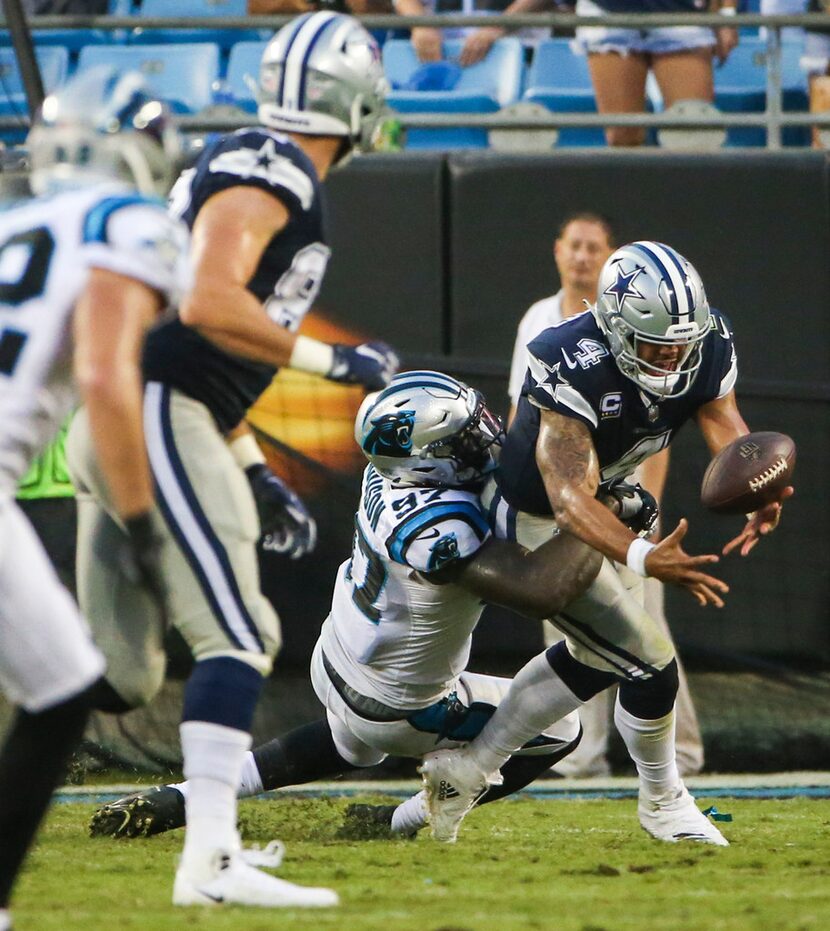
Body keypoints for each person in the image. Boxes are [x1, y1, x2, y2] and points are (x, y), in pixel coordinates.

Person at [66, 11, 398, 910]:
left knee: (115, 673)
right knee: (241, 633)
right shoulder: (275, 164)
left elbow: (217, 348)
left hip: (157, 412)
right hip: (154, 410)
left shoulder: (264, 161)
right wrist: (343, 362)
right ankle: (211, 856)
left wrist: (251, 469)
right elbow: (209, 304)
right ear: (354, 96)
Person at [89, 371, 659, 843]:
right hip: (398, 702)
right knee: (560, 729)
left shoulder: (389, 471)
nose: (485, 439)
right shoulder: (440, 526)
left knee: (347, 744)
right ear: (427, 461)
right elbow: (543, 591)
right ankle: (405, 822)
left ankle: (182, 798)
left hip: (338, 655)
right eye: (462, 441)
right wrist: (602, 511)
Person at [419, 240, 792, 846]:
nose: (673, 357)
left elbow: (727, 427)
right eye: (656, 344)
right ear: (616, 330)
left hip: (614, 500)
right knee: (648, 655)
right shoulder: (567, 358)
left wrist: (757, 484)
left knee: (598, 656)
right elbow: (569, 498)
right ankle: (663, 800)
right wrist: (644, 554)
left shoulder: (706, 341)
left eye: (682, 343)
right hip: (537, 523)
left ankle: (468, 770)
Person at [0, 66, 191, 931]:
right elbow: (107, 379)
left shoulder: (20, 217)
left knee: (61, 686)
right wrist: (147, 527)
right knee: (62, 687)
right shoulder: (129, 221)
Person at [507, 213, 704, 779]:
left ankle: (680, 756)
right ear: (557, 251)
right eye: (575, 246)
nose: (583, 257)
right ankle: (578, 755)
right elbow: (529, 418)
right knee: (572, 629)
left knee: (646, 629)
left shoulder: (655, 330)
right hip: (564, 493)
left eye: (594, 248)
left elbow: (656, 427)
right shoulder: (541, 324)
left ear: (612, 257)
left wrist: (647, 524)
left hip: (625, 496)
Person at [574, 0, 740, 146]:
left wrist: (727, 12)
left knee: (694, 136)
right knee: (622, 137)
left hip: (684, 14)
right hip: (608, 13)